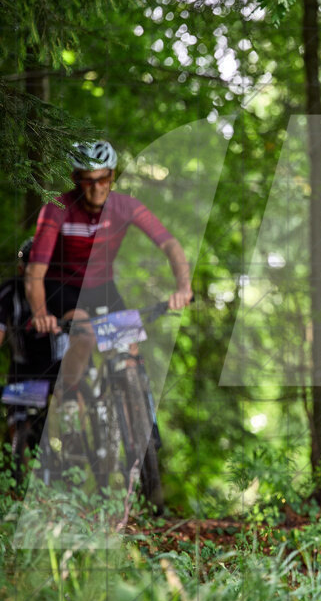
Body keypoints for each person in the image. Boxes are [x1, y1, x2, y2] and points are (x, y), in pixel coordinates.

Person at [25, 140, 193, 401]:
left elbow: (170, 244)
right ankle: (68, 398)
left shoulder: (125, 206)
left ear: (112, 176)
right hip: (63, 287)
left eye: (103, 179)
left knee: (130, 352)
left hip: (103, 287)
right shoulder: (56, 209)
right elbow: (35, 272)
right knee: (86, 335)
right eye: (88, 180)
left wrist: (183, 287)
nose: (96, 188)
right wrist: (40, 312)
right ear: (75, 179)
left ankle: (138, 426)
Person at [0, 238, 64, 484]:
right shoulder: (9, 292)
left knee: (71, 402)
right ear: (21, 269)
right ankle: (22, 487)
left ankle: (75, 461)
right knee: (18, 423)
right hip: (23, 369)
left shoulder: (59, 288)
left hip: (54, 366)